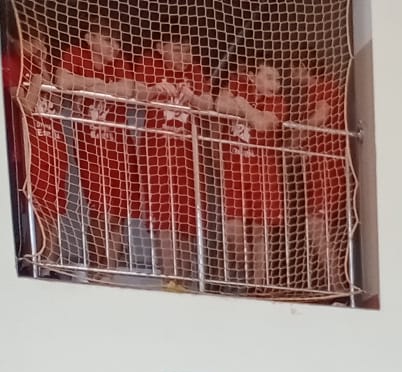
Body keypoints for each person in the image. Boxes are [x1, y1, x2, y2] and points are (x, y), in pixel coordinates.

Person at [57, 24, 142, 277]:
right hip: (91, 147)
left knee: (118, 212)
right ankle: (98, 269)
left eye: (117, 43)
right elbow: (63, 81)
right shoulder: (76, 54)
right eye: (108, 40)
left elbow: (127, 89)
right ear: (89, 38)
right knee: (98, 208)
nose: (114, 47)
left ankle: (110, 271)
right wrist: (94, 82)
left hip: (120, 148)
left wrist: (89, 87)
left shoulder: (119, 62)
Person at [138, 32, 213, 288]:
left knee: (187, 216)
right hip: (158, 152)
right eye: (178, 49)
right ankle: (170, 277)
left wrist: (193, 97)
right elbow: (135, 92)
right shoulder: (150, 64)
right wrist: (153, 89)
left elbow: (209, 104)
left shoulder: (196, 71)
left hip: (188, 155)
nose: (184, 56)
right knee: (163, 215)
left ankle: (187, 279)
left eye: (188, 50)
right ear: (161, 47)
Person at [4, 32, 70, 275]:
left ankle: (51, 262)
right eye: (30, 40)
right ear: (15, 40)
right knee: (37, 206)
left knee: (54, 208)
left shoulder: (44, 66)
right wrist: (36, 82)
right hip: (30, 147)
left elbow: (60, 103)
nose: (37, 46)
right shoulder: (11, 63)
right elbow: (27, 106)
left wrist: (44, 72)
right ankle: (35, 262)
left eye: (40, 40)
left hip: (54, 144)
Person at [217, 63, 287, 289]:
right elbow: (220, 105)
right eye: (269, 77)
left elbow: (262, 124)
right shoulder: (237, 83)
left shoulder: (278, 102)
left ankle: (258, 285)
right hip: (234, 170)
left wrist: (243, 105)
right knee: (233, 232)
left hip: (264, 173)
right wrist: (250, 111)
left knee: (260, 231)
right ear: (252, 76)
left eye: (277, 80)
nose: (274, 85)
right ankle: (241, 276)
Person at [286, 59, 350, 294]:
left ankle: (336, 284)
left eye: (294, 68)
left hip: (327, 168)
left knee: (315, 223)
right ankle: (333, 281)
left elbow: (321, 117)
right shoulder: (315, 91)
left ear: (305, 66)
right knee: (319, 225)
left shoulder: (322, 87)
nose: (291, 74)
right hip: (318, 168)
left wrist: (296, 128)